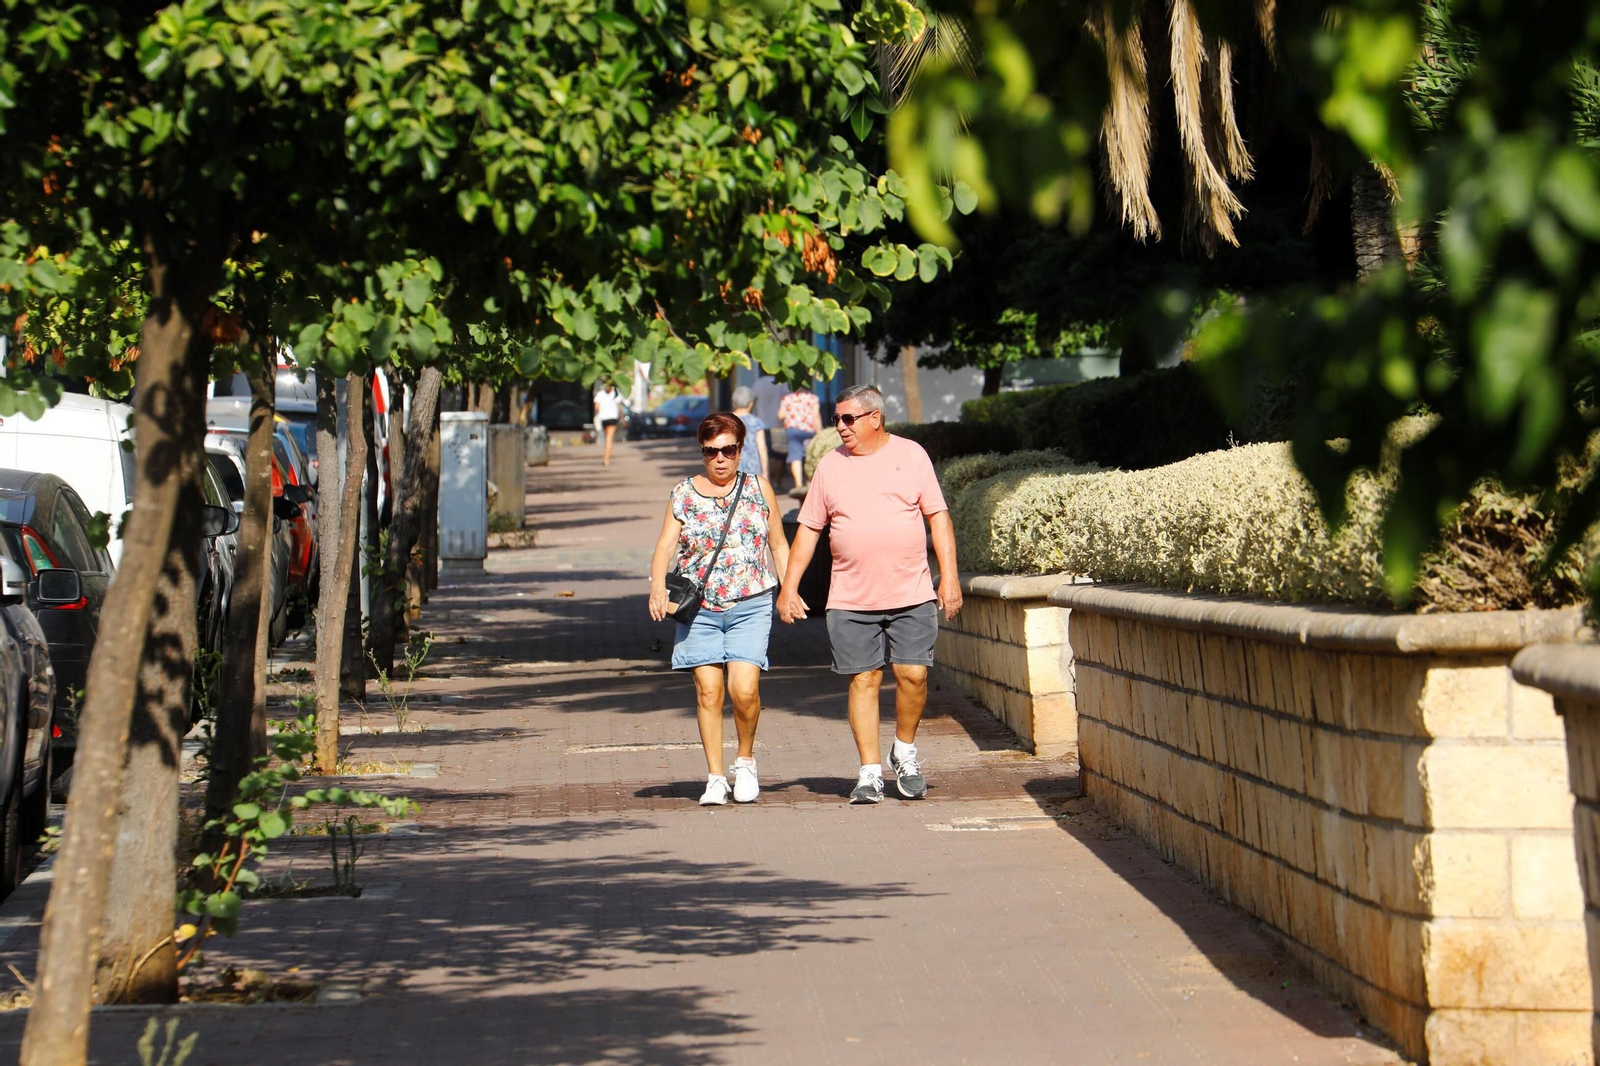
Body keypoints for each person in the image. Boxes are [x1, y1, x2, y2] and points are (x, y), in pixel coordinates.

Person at [776, 384, 962, 804]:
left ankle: (906, 752)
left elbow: (938, 518)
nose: (839, 427)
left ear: (874, 418)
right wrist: (789, 586)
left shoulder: (911, 456)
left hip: (911, 590)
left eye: (848, 419)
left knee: (913, 675)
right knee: (864, 678)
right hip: (851, 597)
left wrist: (948, 576)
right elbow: (809, 530)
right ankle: (869, 772)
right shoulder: (830, 465)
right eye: (836, 418)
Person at [649, 413, 790, 805]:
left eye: (728, 450)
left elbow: (778, 543)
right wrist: (657, 587)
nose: (720, 459)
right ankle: (715, 777)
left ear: (741, 450)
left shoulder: (759, 488)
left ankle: (744, 761)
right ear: (702, 453)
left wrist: (789, 589)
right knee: (709, 691)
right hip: (700, 610)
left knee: (743, 689)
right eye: (711, 452)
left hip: (751, 603)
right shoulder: (682, 494)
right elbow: (664, 547)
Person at [777, 380, 821, 492]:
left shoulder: (787, 398)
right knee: (809, 455)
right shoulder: (812, 397)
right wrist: (819, 432)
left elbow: (780, 415)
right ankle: (809, 482)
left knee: (795, 456)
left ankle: (798, 484)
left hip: (793, 430)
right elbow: (816, 415)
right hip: (809, 430)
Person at [730, 386, 769, 481]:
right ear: (751, 404)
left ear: (733, 403)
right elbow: (762, 448)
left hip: (731, 464)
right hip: (752, 467)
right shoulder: (755, 422)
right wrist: (765, 473)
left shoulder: (727, 420)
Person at [594, 379, 623, 467]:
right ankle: (606, 459)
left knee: (607, 437)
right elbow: (619, 407)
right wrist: (622, 417)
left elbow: (596, 407)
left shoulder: (600, 394)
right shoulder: (615, 393)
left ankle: (606, 456)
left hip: (603, 418)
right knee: (609, 438)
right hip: (612, 417)